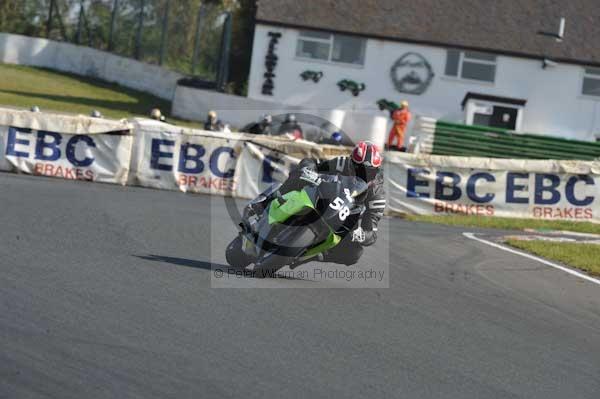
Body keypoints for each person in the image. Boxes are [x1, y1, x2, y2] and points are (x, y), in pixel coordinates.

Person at [272, 141, 386, 266]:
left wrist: (361, 234)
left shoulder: (377, 195)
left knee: (354, 253)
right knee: (303, 167)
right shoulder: (342, 163)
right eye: (358, 168)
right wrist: (309, 170)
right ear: (351, 163)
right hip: (326, 196)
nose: (362, 174)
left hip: (345, 217)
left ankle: (311, 256)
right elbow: (315, 165)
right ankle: (273, 198)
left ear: (376, 171)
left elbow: (371, 232)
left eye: (368, 172)